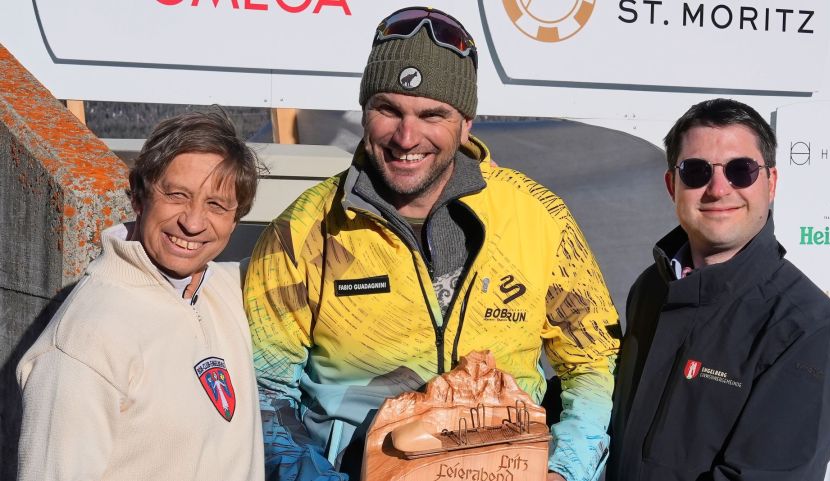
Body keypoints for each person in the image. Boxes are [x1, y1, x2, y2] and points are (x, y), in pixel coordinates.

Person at [244, 6, 620, 481]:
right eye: (388, 109)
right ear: (364, 111)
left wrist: (565, 471)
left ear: (466, 123)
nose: (407, 136)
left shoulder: (539, 216)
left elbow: (592, 362)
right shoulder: (303, 230)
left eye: (431, 114)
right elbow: (265, 388)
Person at [606, 98, 830, 481]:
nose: (718, 189)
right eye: (696, 171)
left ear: (770, 184)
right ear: (673, 185)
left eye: (741, 170)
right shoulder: (651, 289)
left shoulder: (808, 329)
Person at [16, 110, 265, 480]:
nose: (193, 223)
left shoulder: (226, 290)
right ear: (138, 196)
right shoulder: (86, 342)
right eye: (177, 195)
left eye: (216, 205)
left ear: (235, 220)